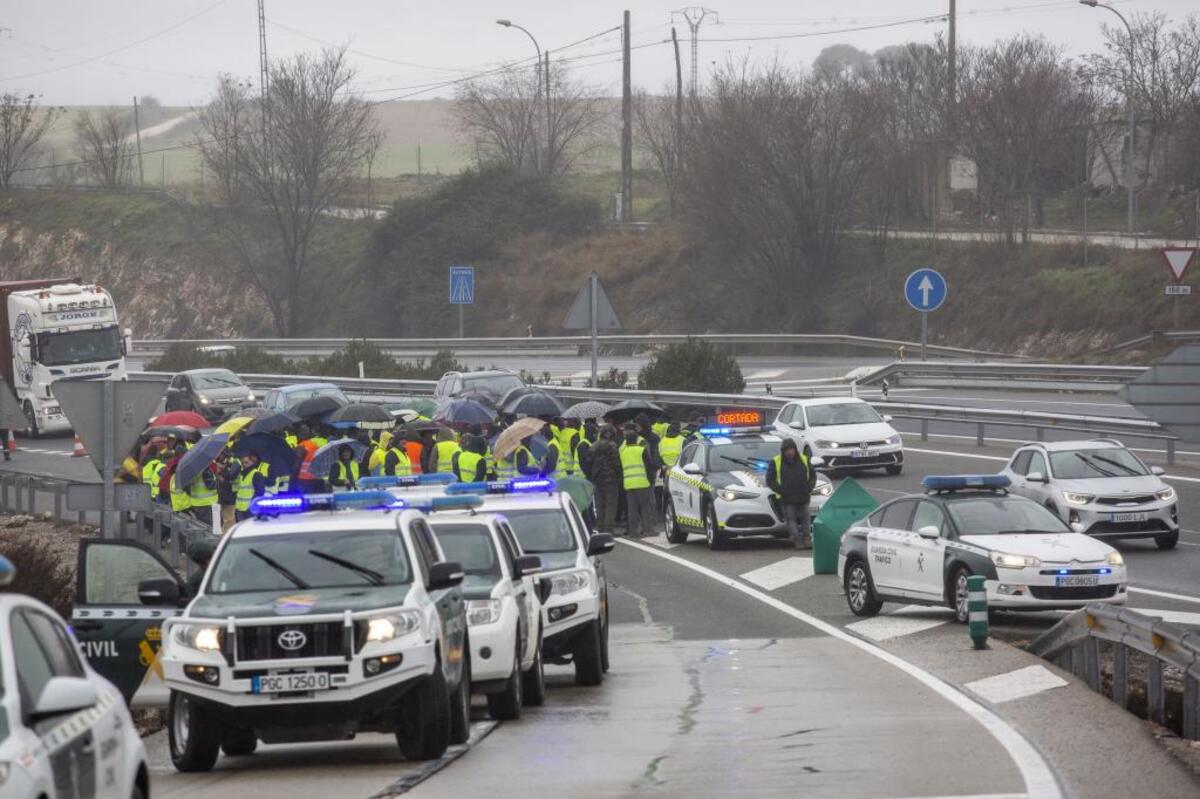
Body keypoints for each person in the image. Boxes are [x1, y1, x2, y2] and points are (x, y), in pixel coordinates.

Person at [766, 438, 815, 550]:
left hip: (803, 495)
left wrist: (809, 487)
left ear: (795, 449)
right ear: (783, 451)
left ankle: (807, 539)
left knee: (806, 518)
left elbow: (813, 475)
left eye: (791, 449)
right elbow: (770, 480)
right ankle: (797, 540)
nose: (789, 452)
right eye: (786, 449)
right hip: (786, 497)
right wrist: (781, 490)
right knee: (791, 519)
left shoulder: (804, 459)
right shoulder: (776, 461)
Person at [620, 423, 658, 538]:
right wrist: (651, 480)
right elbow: (649, 466)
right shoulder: (641, 450)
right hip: (642, 482)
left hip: (628, 483)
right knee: (645, 507)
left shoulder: (623, 452)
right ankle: (648, 530)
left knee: (632, 508)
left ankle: (633, 531)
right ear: (636, 439)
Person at [588, 425, 622, 534]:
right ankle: (608, 530)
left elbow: (589, 463)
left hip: (597, 479)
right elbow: (616, 464)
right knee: (610, 505)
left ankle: (600, 528)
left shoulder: (593, 446)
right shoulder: (612, 446)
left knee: (600, 505)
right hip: (610, 479)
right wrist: (619, 477)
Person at [234, 453, 270, 521]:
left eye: (246, 462)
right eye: (243, 463)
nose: (244, 465)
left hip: (249, 509)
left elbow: (260, 492)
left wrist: (252, 504)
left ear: (252, 462)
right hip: (239, 508)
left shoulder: (256, 474)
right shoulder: (242, 474)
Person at [216, 453, 240, 531]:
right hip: (223, 496)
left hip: (229, 496)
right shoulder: (231, 463)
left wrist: (219, 474)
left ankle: (228, 535)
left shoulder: (236, 463)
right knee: (224, 518)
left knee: (229, 519)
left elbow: (230, 476)